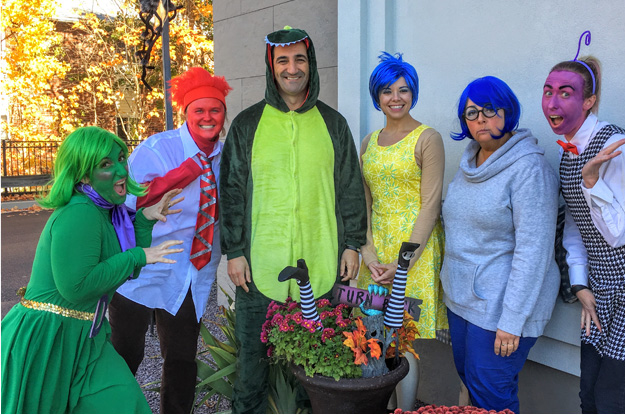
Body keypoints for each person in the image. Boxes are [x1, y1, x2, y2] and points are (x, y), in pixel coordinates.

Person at [219, 26, 367, 413]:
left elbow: (350, 187)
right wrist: (233, 250)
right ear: (272, 66)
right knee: (252, 371)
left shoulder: (333, 124)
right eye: (283, 60)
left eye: (299, 58)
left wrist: (353, 243)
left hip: (323, 265)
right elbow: (231, 191)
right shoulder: (247, 125)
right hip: (258, 268)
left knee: (316, 372)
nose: (292, 68)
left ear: (310, 63)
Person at [1, 126, 183, 413]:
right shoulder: (80, 213)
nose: (121, 169)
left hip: (86, 336)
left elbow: (123, 267)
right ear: (84, 175)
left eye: (121, 158)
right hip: (50, 338)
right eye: (106, 164)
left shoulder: (106, 211)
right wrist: (139, 255)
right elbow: (77, 286)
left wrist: (145, 221)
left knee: (126, 403)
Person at [542, 55, 625, 414]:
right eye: (548, 91)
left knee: (612, 399)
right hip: (600, 289)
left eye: (566, 92)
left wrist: (592, 183)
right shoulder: (568, 154)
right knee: (589, 397)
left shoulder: (617, 146)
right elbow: (577, 230)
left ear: (589, 100)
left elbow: (620, 234)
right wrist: (580, 286)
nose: (552, 102)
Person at [108, 67, 231, 413]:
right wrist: (175, 178)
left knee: (181, 359)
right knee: (124, 356)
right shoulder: (157, 150)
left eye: (215, 110)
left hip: (191, 271)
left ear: (223, 113)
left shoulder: (227, 155)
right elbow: (123, 205)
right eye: (199, 111)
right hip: (142, 266)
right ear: (186, 113)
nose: (208, 118)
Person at [441, 76, 560, 413]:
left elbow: (534, 252)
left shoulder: (529, 169)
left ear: (508, 112)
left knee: (491, 390)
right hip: (464, 301)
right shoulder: (468, 165)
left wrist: (512, 321)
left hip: (503, 308)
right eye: (471, 112)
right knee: (472, 380)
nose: (480, 118)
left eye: (489, 110)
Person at [356, 51, 447, 411]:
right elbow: (362, 203)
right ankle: (381, 405)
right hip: (376, 253)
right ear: (376, 96)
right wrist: (368, 252)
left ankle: (406, 410)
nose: (396, 97)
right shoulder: (368, 142)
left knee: (404, 340)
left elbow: (430, 204)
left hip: (413, 252)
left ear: (414, 94)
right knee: (374, 334)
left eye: (404, 89)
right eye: (387, 90)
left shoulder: (429, 138)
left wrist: (402, 261)